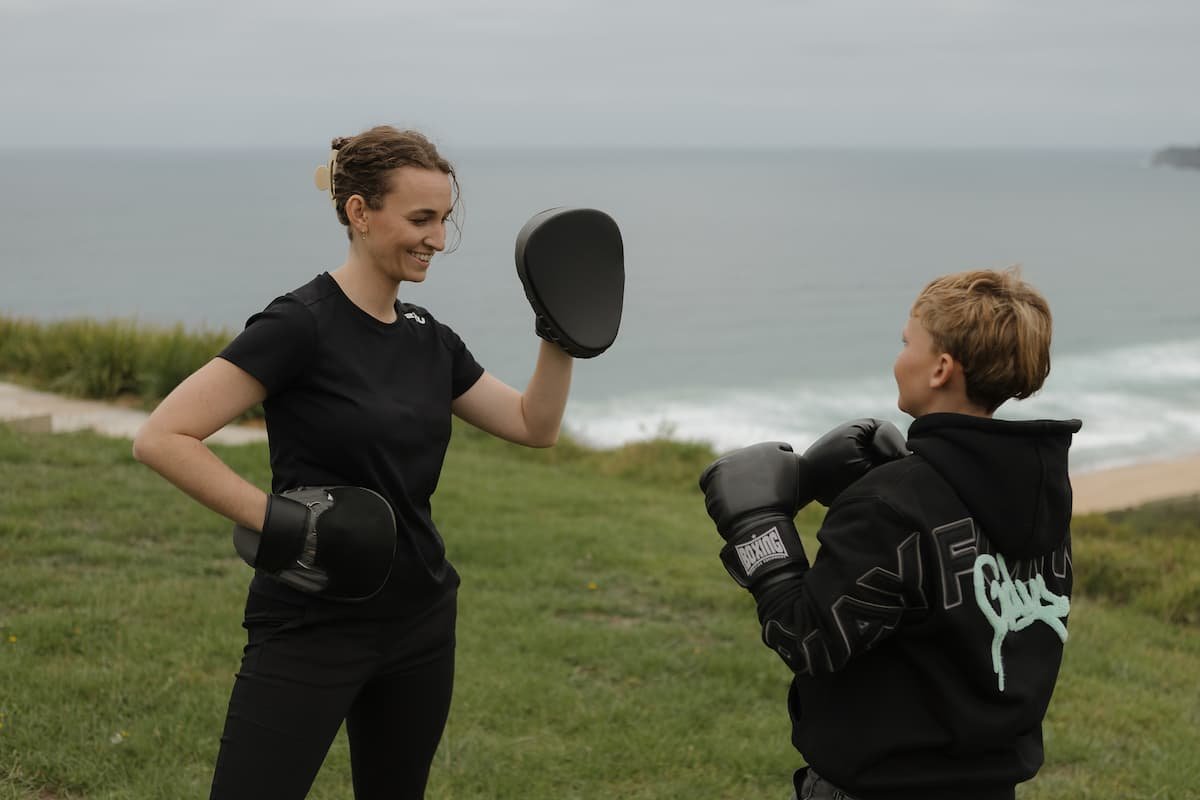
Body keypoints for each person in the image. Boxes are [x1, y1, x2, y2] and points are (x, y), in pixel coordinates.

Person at [133, 125, 589, 799]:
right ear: (359, 213)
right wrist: (280, 523)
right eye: (420, 219)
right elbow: (163, 436)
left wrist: (561, 329)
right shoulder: (300, 326)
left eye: (444, 220)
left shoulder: (430, 338)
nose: (437, 238)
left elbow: (534, 424)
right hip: (311, 621)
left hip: (420, 622)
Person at [699, 267, 1081, 800]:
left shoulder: (892, 503)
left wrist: (758, 528)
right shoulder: (1041, 493)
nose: (898, 357)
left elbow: (806, 638)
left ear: (940, 368)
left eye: (907, 343)